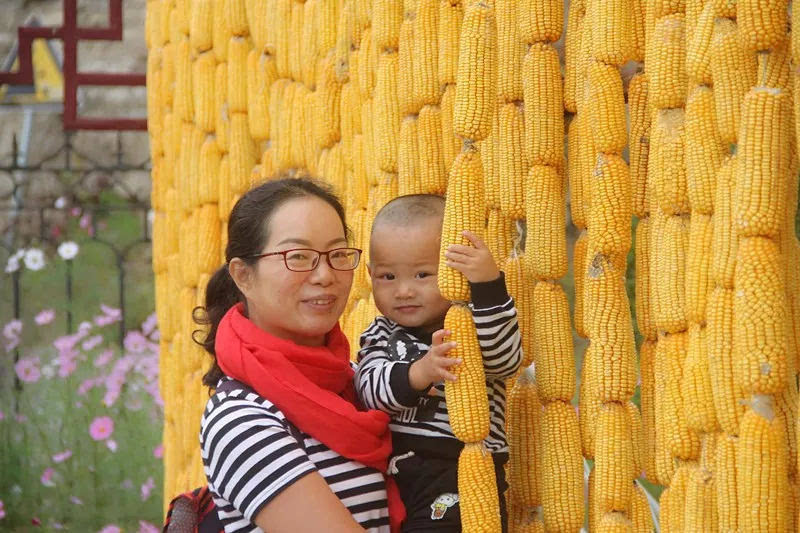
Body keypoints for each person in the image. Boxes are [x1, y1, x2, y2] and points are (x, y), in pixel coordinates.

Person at [196, 176, 405, 533]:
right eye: (298, 257)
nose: (325, 275)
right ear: (243, 276)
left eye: (337, 255)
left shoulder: (361, 381)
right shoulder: (239, 419)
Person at [355, 194, 523, 532]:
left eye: (422, 275)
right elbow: (368, 391)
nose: (404, 291)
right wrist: (418, 373)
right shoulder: (380, 333)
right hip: (396, 471)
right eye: (388, 277)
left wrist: (488, 288)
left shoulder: (473, 323)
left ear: (451, 272)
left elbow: (505, 361)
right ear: (370, 274)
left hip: (463, 470)